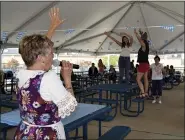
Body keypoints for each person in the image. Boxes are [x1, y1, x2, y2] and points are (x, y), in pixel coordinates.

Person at [14, 8, 77, 140]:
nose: (53, 55)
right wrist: (67, 79)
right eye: (52, 53)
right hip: (46, 135)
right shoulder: (48, 78)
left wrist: (52, 27)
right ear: (41, 58)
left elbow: (37, 51)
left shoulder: (21, 75)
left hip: (24, 132)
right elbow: (70, 106)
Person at [134, 29, 150, 98]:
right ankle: (146, 92)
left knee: (138, 79)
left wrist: (136, 34)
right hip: (146, 64)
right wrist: (140, 34)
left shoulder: (144, 45)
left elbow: (140, 40)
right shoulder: (146, 45)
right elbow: (142, 39)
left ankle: (143, 93)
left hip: (143, 64)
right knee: (145, 78)